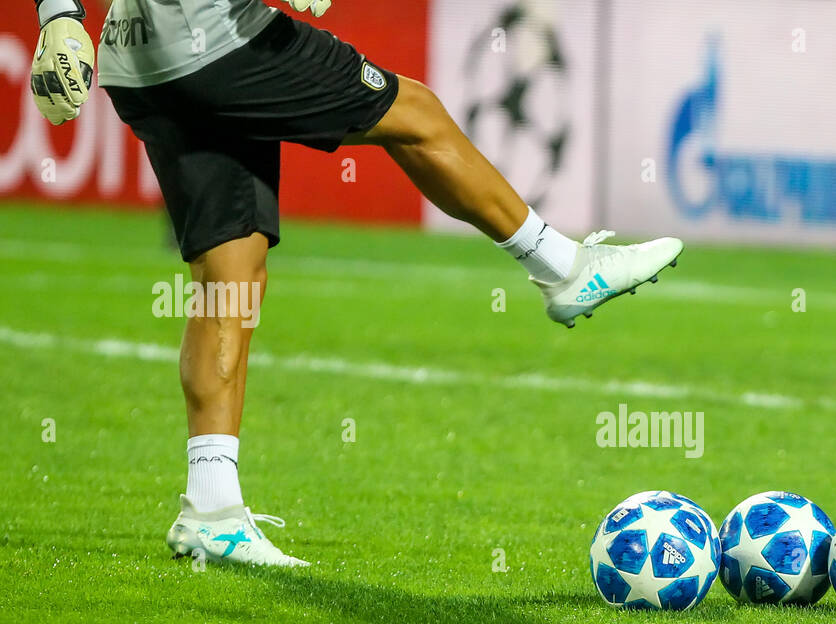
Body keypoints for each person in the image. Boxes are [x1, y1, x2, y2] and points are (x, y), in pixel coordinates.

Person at [29, 0, 683, 566]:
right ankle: (561, 266)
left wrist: (58, 17)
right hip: (216, 42)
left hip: (139, 63)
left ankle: (212, 507)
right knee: (416, 112)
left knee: (229, 274)